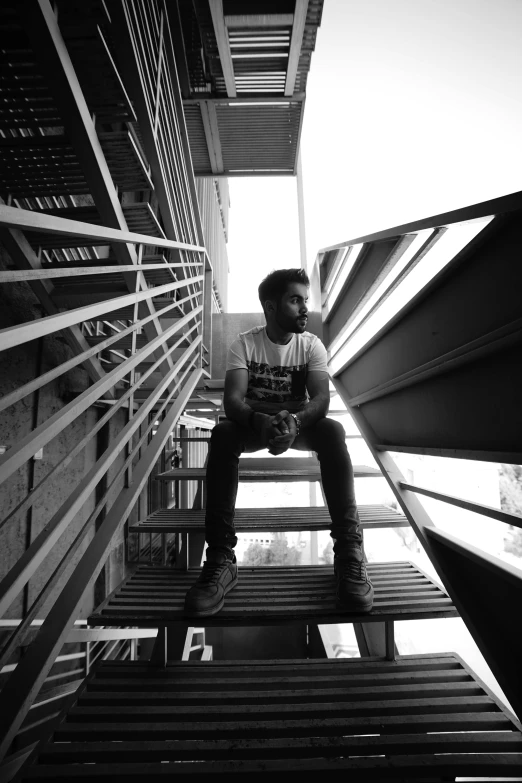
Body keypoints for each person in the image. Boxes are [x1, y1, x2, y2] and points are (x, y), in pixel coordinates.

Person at [184, 268, 373, 617]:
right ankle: (222, 557)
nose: (304, 308)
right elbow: (234, 402)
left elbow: (321, 399)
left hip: (298, 423)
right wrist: (260, 421)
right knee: (223, 433)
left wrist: (295, 422)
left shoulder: (312, 345)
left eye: (306, 300)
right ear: (271, 307)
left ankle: (349, 553)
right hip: (255, 424)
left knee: (332, 431)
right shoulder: (245, 343)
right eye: (295, 300)